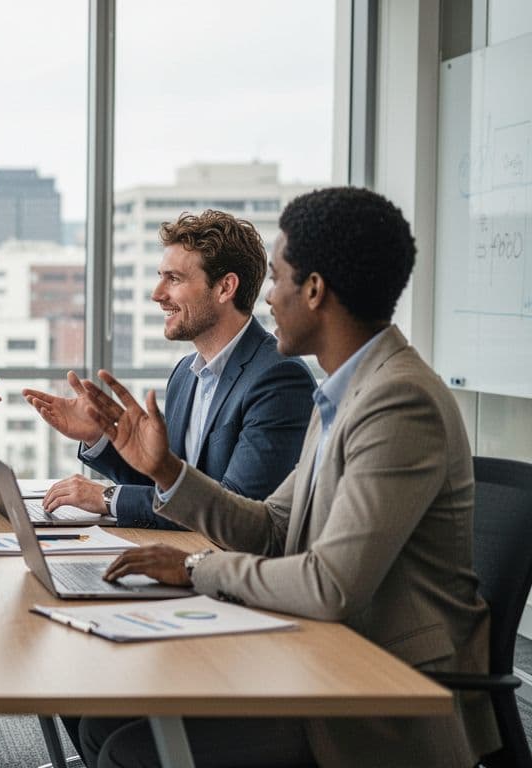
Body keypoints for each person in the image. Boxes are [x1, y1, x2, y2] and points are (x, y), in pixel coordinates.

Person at [68, 187, 498, 768]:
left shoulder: (399, 402)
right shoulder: (347, 391)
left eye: (276, 278)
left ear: (314, 290)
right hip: (323, 656)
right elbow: (272, 524)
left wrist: (196, 568)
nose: (267, 297)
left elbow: (331, 585)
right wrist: (166, 471)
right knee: (103, 721)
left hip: (374, 695)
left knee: (131, 749)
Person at [24, 210, 314, 528]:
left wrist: (107, 498)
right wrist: (99, 435)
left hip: (229, 568)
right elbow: (167, 488)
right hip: (179, 552)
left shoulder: (279, 378)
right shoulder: (185, 374)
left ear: (225, 288)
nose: (157, 294)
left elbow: (238, 510)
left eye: (173, 279)